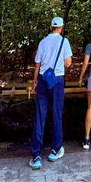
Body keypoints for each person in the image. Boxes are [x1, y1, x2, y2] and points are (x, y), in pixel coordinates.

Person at [29, 16, 73, 170]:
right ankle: (55, 150)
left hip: (42, 80)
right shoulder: (64, 42)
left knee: (40, 116)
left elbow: (37, 64)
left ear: (50, 27)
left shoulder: (43, 42)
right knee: (57, 114)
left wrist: (35, 82)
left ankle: (36, 156)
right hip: (57, 80)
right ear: (61, 28)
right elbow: (68, 63)